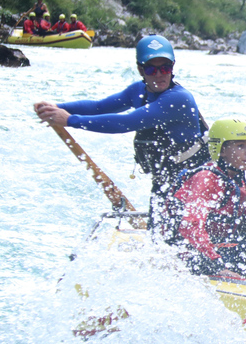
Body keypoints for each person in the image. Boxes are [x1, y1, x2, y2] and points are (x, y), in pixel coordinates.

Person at [34, 34, 209, 226]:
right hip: (166, 179)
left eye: (165, 68)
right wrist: (56, 107)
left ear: (173, 67)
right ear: (140, 69)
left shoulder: (178, 99)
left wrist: (70, 120)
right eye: (151, 68)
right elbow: (100, 107)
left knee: (173, 235)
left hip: (195, 180)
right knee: (158, 233)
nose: (159, 74)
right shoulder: (138, 91)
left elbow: (125, 122)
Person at [164, 119, 246, 278]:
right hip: (185, 248)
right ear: (221, 150)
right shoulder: (206, 178)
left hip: (215, 242)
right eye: (240, 146)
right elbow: (190, 225)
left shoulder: (237, 178)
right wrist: (215, 263)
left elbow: (243, 211)